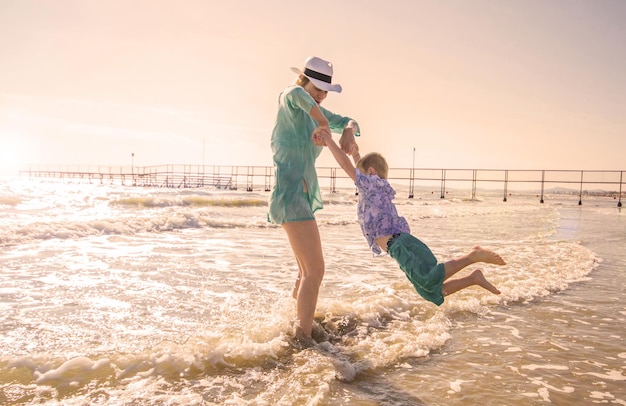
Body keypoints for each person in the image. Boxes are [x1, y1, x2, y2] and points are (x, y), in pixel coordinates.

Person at [316, 130, 506, 306]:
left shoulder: (369, 186)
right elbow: (360, 166)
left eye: (362, 175)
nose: (359, 181)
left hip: (400, 245)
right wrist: (356, 152)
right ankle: (473, 278)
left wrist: (329, 141)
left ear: (371, 173)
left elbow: (345, 165)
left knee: (428, 279)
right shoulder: (379, 185)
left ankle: (472, 257)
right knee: (429, 291)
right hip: (402, 244)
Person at [268, 56, 360, 340]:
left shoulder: (315, 108)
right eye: (317, 88)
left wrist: (345, 130)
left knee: (305, 271)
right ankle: (303, 339)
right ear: (303, 79)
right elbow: (309, 107)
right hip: (290, 194)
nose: (320, 95)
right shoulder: (292, 95)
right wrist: (324, 125)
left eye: (324, 90)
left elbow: (351, 122)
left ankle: (295, 326)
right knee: (315, 271)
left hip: (301, 197)